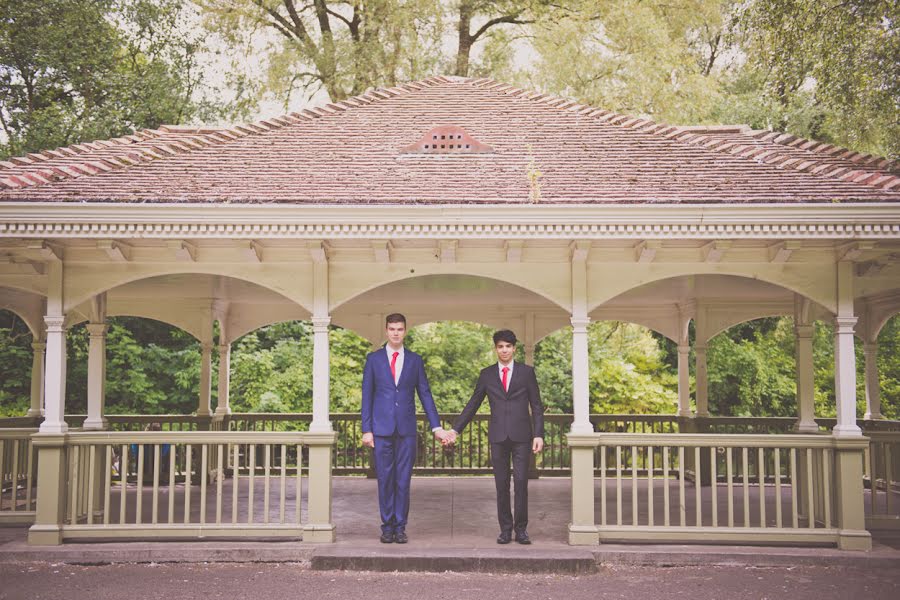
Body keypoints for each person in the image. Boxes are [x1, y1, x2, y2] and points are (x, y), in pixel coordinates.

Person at [444, 329, 544, 545]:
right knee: (501, 485)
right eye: (500, 346)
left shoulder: (527, 373)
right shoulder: (486, 374)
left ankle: (522, 529)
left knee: (520, 483)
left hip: (522, 437)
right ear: (496, 348)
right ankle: (505, 530)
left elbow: (536, 405)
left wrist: (538, 434)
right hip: (498, 436)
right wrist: (455, 430)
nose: (504, 350)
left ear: (514, 348)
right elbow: (473, 404)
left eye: (508, 346)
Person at [361, 313, 448, 544]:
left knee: (403, 480)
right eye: (392, 329)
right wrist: (366, 429)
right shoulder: (374, 359)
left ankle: (400, 527)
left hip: (406, 430)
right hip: (380, 430)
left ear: (405, 331)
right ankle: (386, 526)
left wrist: (436, 426)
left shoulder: (414, 360)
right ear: (386, 331)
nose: (396, 333)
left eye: (400, 329)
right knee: (385, 479)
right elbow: (367, 396)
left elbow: (425, 394)